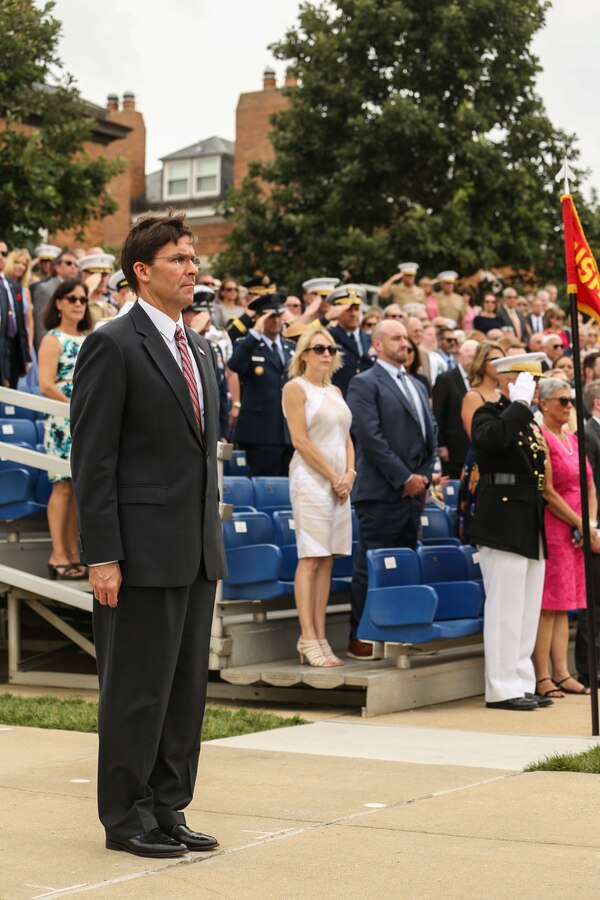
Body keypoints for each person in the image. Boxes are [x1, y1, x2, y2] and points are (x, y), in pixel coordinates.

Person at [70, 213, 226, 859]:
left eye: (194, 258)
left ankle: (168, 807)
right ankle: (126, 815)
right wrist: (102, 553)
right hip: (136, 553)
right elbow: (93, 459)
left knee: (185, 691)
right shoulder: (113, 343)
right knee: (137, 690)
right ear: (143, 271)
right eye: (179, 259)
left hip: (193, 551)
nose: (193, 268)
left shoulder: (200, 348)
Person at [346, 319, 437, 658]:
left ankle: (400, 633)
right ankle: (361, 634)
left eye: (407, 338)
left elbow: (431, 434)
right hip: (381, 492)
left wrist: (421, 477)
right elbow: (370, 437)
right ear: (378, 346)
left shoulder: (416, 383)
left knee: (405, 563)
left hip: (412, 493)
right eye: (397, 338)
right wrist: (403, 478)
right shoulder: (364, 383)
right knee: (371, 564)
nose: (405, 343)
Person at [467, 352, 549, 711]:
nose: (533, 388)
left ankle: (521, 680)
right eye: (526, 380)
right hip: (501, 516)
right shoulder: (488, 413)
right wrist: (516, 404)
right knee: (505, 607)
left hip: (529, 515)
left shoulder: (529, 420)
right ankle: (500, 688)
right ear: (506, 380)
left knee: (527, 607)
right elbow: (493, 441)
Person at [283, 327, 354, 667]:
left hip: (340, 481)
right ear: (304, 354)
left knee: (328, 559)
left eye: (330, 348)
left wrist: (349, 474)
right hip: (311, 479)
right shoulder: (295, 388)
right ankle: (307, 637)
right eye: (318, 348)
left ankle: (321, 637)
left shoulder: (336, 390)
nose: (326, 353)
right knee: (311, 557)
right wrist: (333, 477)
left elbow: (347, 437)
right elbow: (300, 441)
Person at [532, 378, 595, 698]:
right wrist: (581, 524)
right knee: (549, 604)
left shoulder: (572, 437)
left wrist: (591, 522)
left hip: (578, 528)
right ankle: (542, 675)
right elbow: (548, 491)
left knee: (565, 605)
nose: (569, 405)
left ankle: (562, 672)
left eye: (571, 400)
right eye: (562, 400)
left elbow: (590, 485)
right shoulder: (540, 437)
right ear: (543, 404)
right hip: (556, 526)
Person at [38, 279, 91, 580]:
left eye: (82, 299)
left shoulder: (90, 338)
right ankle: (58, 554)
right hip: (62, 420)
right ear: (58, 302)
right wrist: (72, 408)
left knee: (79, 491)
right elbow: (46, 384)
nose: (78, 304)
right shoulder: (52, 339)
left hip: (87, 419)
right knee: (62, 486)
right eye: (71, 298)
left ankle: (73, 553)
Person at [228, 291, 295, 476]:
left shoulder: (291, 348)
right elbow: (235, 365)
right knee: (266, 487)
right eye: (270, 316)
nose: (276, 320)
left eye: (279, 315)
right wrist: (254, 334)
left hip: (289, 432)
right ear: (258, 317)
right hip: (261, 432)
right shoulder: (247, 344)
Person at [457, 341, 505, 540]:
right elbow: (476, 436)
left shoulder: (502, 395)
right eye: (495, 360)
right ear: (481, 363)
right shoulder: (473, 396)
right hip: (481, 466)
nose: (501, 364)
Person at [432, 339, 478, 478]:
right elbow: (437, 414)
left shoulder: (480, 379)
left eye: (477, 357)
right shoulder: (445, 379)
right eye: (471, 356)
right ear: (459, 355)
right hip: (454, 449)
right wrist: (441, 445)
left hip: (476, 447)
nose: (473, 361)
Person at [579, 380, 600, 687]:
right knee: (592, 603)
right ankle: (589, 668)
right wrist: (594, 526)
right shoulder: (587, 434)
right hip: (596, 527)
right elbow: (588, 486)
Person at [327, 284, 375, 396]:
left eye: (356, 309)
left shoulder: (371, 338)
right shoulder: (329, 337)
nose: (353, 314)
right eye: (348, 309)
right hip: (341, 399)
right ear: (337, 311)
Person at [31, 250, 80, 351]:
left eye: (76, 264)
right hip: (50, 348)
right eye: (68, 263)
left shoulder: (78, 289)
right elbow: (41, 326)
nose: (73, 267)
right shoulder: (46, 289)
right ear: (57, 267)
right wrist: (43, 351)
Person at [0, 238, 31, 387]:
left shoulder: (14, 286)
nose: (1, 256)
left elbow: (22, 323)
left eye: (4, 253)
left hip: (13, 348)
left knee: (11, 396)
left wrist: (25, 355)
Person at [5, 248, 35, 354]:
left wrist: (30, 343)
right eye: (17, 262)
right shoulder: (2, 285)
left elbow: (29, 320)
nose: (20, 267)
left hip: (21, 341)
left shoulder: (25, 290)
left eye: (24, 264)